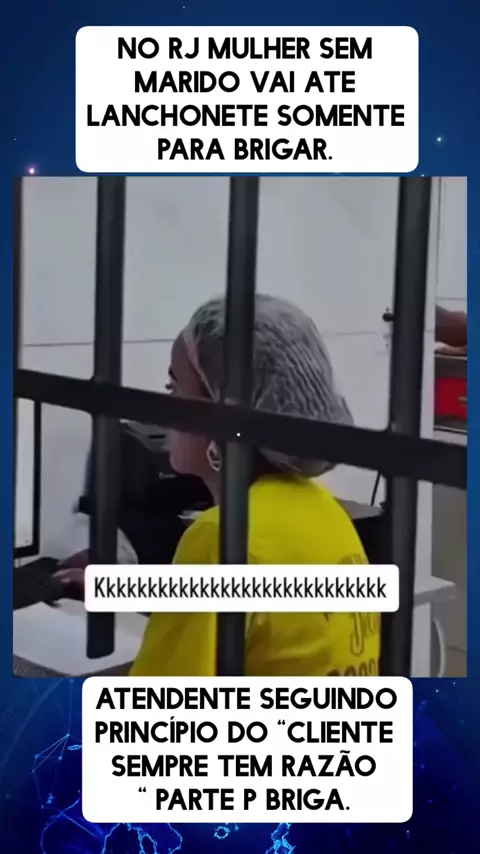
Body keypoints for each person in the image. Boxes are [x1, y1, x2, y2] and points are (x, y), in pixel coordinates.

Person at [56, 294, 380, 677]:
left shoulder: (223, 537)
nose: (163, 408)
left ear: (221, 417)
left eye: (174, 388)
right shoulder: (325, 512)